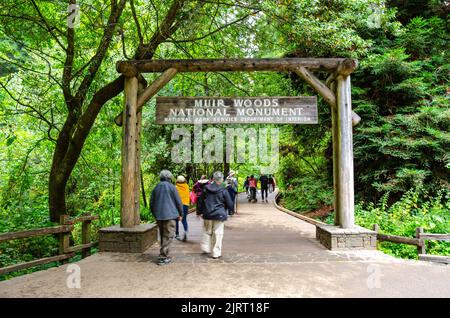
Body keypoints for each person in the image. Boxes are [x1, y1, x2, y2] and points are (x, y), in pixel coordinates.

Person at [197, 171, 234, 259]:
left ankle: (206, 248)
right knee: (218, 234)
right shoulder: (223, 190)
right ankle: (216, 253)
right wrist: (231, 211)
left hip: (207, 214)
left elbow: (200, 201)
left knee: (207, 231)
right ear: (221, 179)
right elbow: (229, 203)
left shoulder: (206, 188)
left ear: (213, 179)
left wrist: (199, 212)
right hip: (219, 215)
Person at [150, 170, 183, 265]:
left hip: (159, 216)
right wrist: (181, 214)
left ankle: (163, 253)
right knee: (168, 236)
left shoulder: (156, 188)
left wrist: (155, 214)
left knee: (163, 235)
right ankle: (163, 257)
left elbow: (151, 203)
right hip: (170, 216)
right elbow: (178, 202)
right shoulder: (172, 187)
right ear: (169, 177)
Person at [175, 175, 190, 241]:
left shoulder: (175, 187)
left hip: (178, 205)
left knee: (176, 220)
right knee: (184, 219)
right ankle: (186, 231)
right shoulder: (187, 186)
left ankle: (177, 234)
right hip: (186, 204)